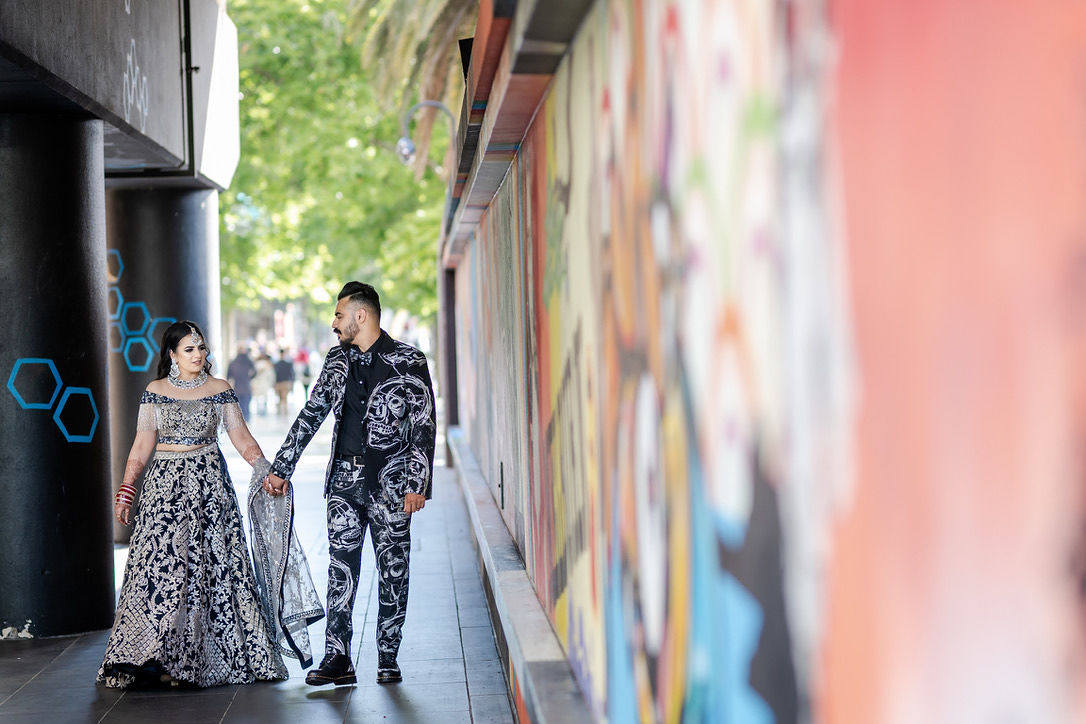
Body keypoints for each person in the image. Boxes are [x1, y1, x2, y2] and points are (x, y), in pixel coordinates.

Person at [99, 321, 323, 689]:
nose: (198, 355)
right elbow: (141, 446)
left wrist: (266, 470)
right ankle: (153, 656)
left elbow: (241, 438)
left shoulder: (220, 390)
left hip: (209, 491)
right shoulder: (155, 391)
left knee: (210, 569)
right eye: (188, 349)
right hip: (164, 494)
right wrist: (126, 489)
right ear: (171, 355)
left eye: (200, 347)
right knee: (162, 572)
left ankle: (201, 659)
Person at [264, 282, 436, 687]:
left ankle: (388, 657)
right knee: (341, 569)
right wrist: (282, 465)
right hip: (345, 479)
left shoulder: (408, 360)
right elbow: (312, 413)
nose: (334, 323)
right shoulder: (336, 360)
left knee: (393, 571)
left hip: (392, 484)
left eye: (339, 315)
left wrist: (418, 484)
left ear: (362, 315)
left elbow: (424, 426)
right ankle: (338, 658)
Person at [226, 344, 256, 419]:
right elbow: (255, 372)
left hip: (237, 388)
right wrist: (250, 377)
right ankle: (247, 423)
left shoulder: (233, 362)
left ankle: (241, 422)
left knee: (239, 407)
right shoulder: (248, 361)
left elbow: (228, 376)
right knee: (246, 407)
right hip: (246, 387)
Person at [273, 348, 295, 414]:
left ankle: (280, 412)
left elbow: (274, 374)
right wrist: (291, 382)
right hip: (286, 383)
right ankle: (285, 412)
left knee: (280, 398)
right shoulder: (288, 364)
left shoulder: (276, 364)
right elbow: (292, 374)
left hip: (278, 383)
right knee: (284, 398)